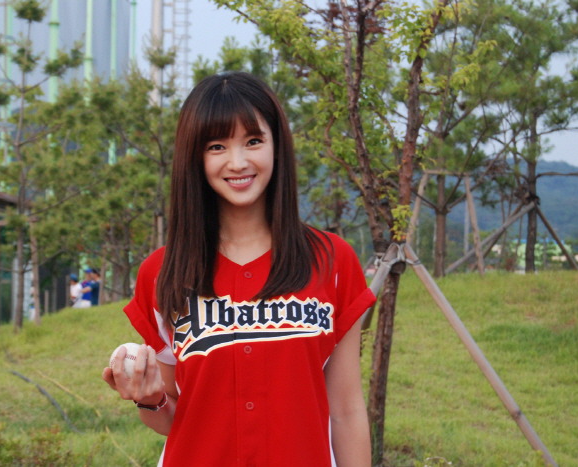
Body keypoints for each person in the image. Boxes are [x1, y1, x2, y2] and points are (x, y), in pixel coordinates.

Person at [102, 72, 376, 466]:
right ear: (195, 157)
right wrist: (149, 399)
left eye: (253, 141)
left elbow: (346, 410)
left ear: (276, 145)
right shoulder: (162, 272)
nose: (238, 162)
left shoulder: (332, 261)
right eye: (217, 146)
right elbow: (176, 416)